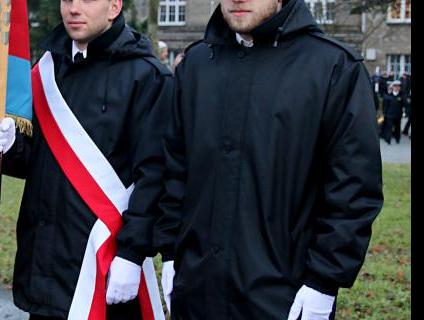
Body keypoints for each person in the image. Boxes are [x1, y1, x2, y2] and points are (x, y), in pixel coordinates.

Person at [154, 0, 384, 319]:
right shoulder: (196, 64)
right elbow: (175, 168)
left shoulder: (333, 67)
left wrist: (323, 281)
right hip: (197, 289)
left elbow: (353, 189)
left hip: (284, 296)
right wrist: (171, 252)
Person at [0, 0, 173, 318]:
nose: (73, 9)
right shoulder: (46, 71)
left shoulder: (147, 77)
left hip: (105, 266)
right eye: (67, 0)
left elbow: (155, 176)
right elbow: (32, 163)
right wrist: (8, 145)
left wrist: (131, 254)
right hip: (44, 266)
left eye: (87, 0)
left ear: (113, 7)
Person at [381, 80, 405, 144]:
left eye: (398, 86)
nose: (397, 88)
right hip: (389, 115)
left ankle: (397, 138)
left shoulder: (401, 96)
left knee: (397, 127)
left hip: (398, 115)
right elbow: (385, 106)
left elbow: (405, 105)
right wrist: (384, 113)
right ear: (393, 87)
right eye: (395, 86)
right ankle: (388, 139)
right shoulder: (388, 95)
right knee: (389, 127)